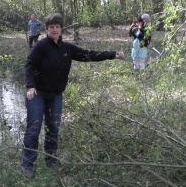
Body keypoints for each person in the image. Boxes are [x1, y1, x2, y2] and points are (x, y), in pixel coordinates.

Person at [22, 13, 124, 175]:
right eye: (51, 27)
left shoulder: (67, 48)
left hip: (56, 95)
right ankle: (28, 165)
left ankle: (51, 160)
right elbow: (29, 66)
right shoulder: (41, 46)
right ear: (47, 29)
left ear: (61, 29)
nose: (54, 30)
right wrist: (30, 86)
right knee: (33, 129)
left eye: (57, 27)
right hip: (37, 94)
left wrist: (112, 54)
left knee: (53, 128)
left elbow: (88, 55)